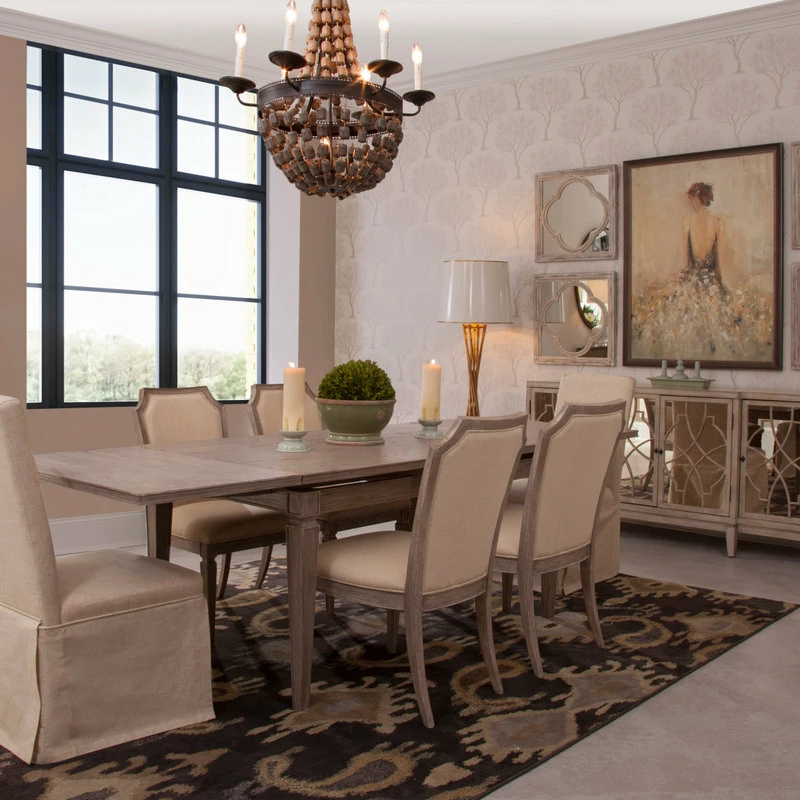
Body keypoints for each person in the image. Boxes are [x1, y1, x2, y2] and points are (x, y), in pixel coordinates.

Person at [682, 181, 726, 293]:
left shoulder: (689, 221)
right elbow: (719, 261)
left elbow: (687, 261)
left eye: (692, 198)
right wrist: (721, 285)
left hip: (694, 281)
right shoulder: (717, 222)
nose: (691, 202)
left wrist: (686, 278)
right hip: (711, 281)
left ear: (699, 198)